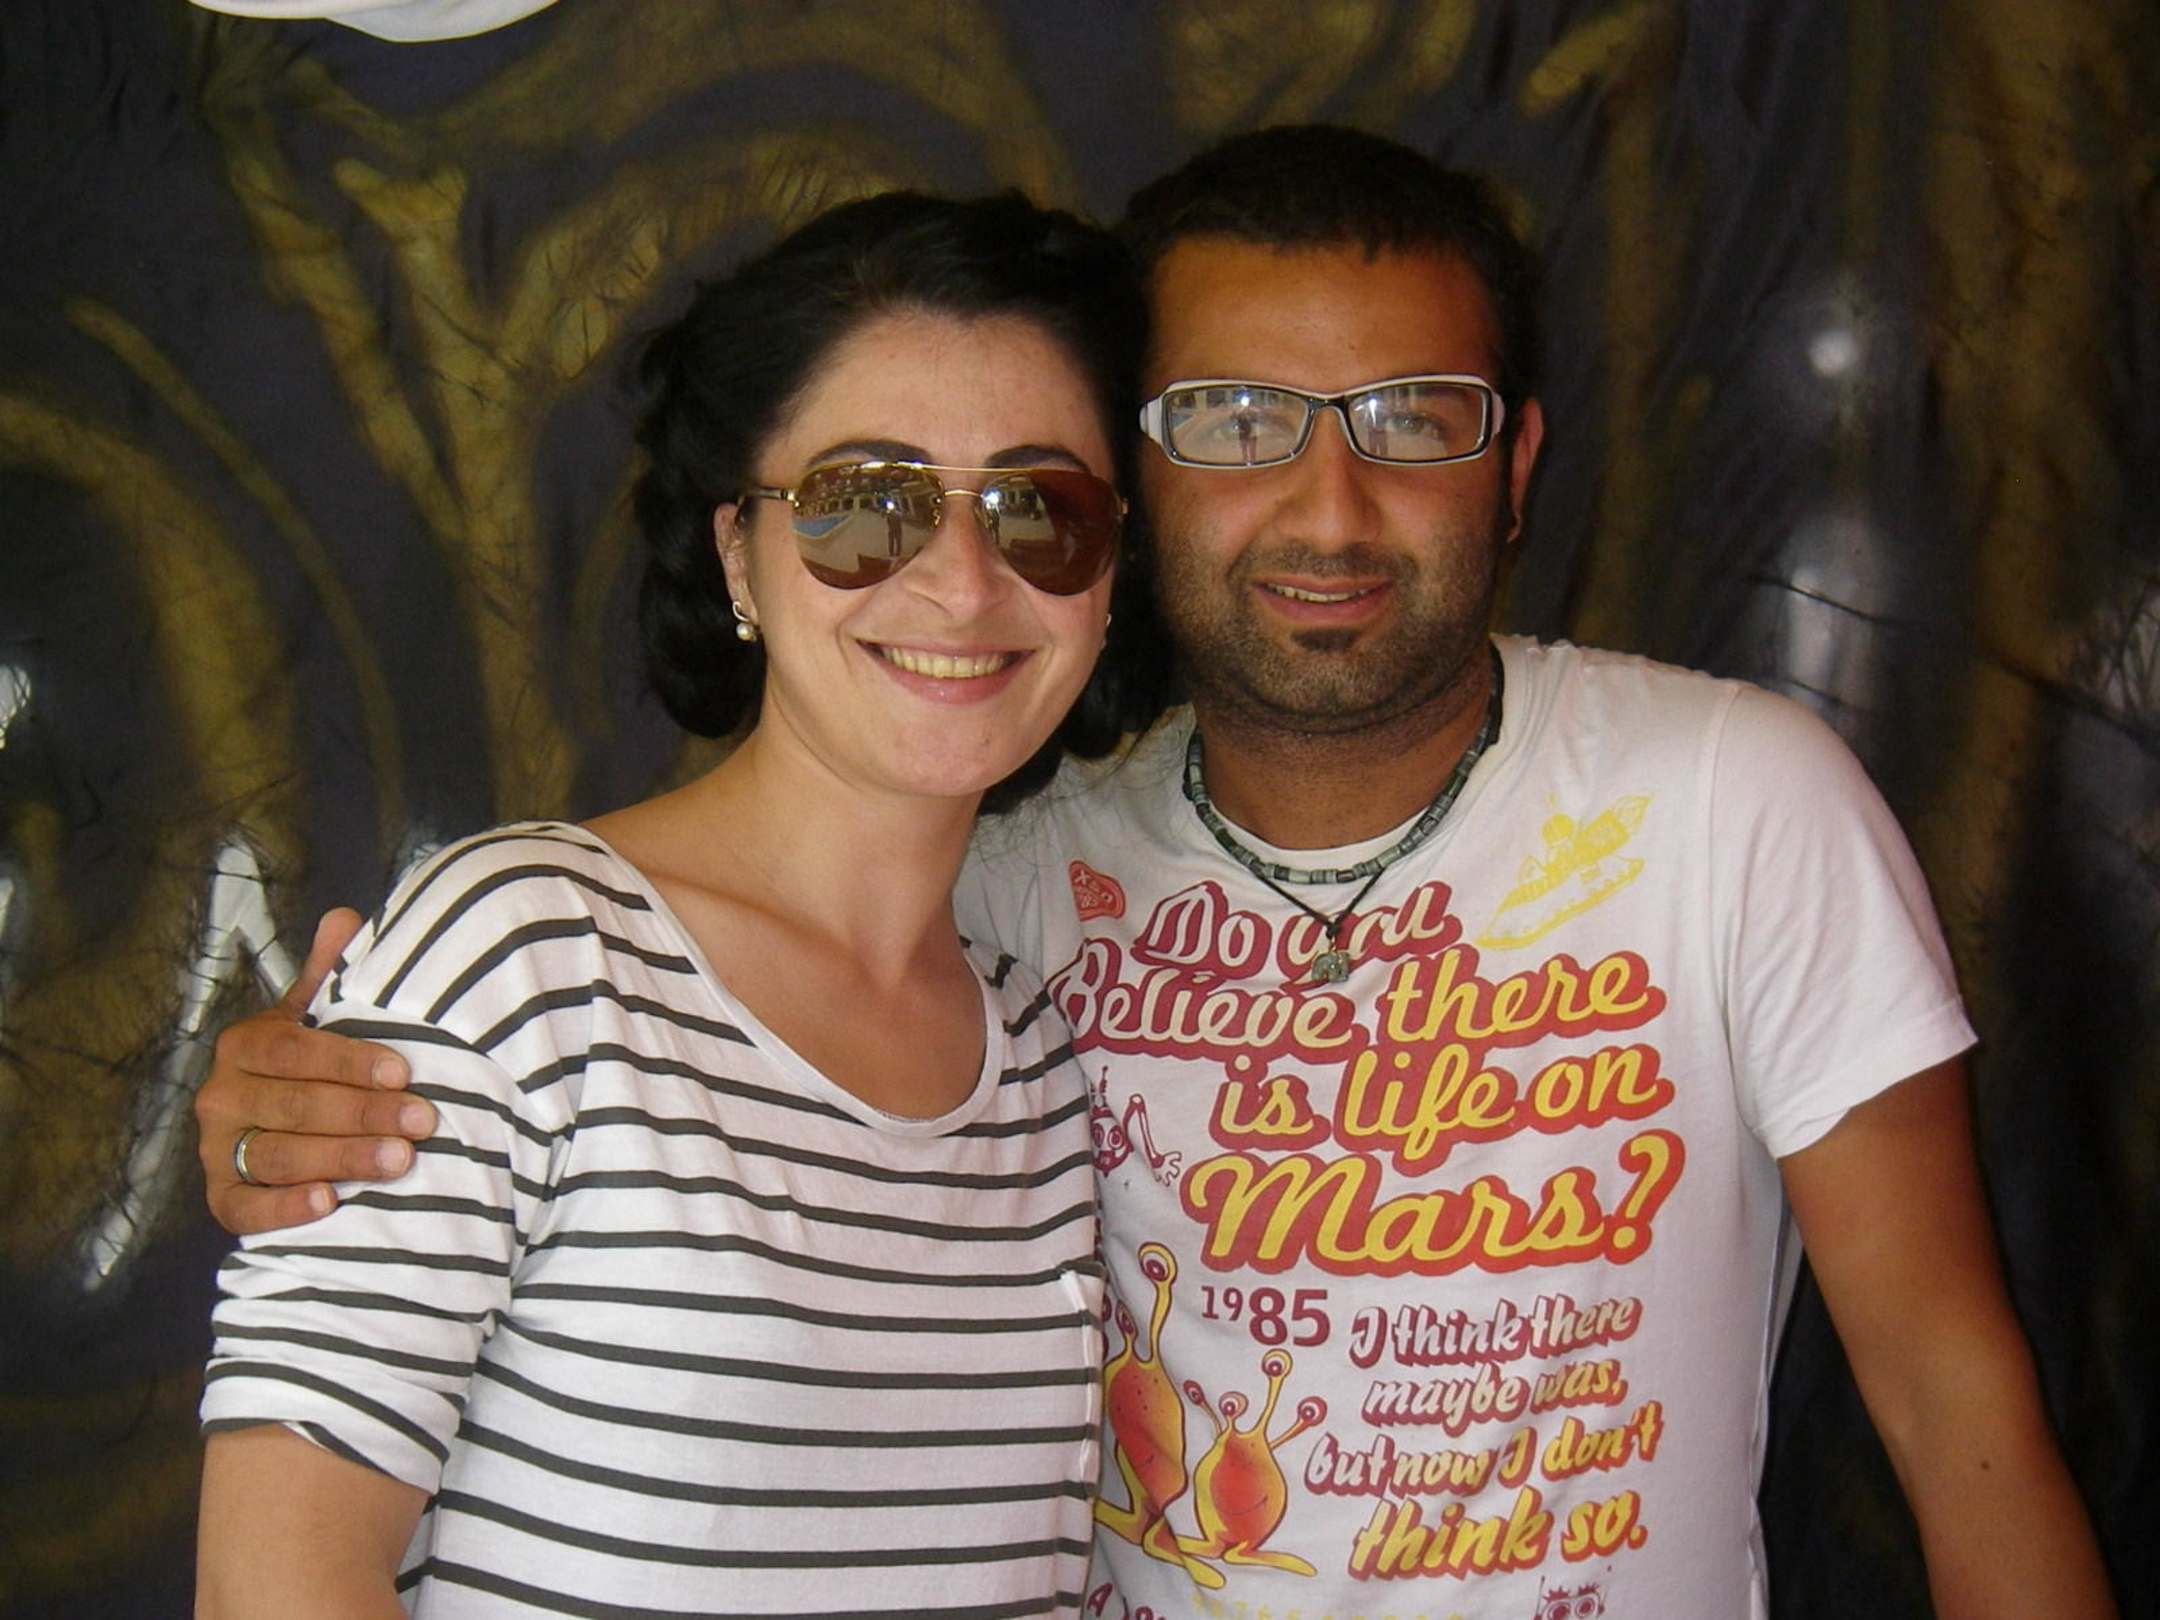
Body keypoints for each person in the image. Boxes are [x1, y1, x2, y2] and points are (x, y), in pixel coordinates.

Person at [195, 127, 2117, 1619]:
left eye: (1414, 423)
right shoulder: (994, 884)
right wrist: (327, 1096)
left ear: (1519, 463)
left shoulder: (1732, 808)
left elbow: (1957, 1404)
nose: (1328, 506)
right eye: (1235, 423)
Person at [195, 189, 1151, 1618]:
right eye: (863, 505)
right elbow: (276, 1585)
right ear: (737, 555)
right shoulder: (522, 957)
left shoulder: (1045, 1057)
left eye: (1042, 511)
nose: (962, 582)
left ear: (1111, 572)